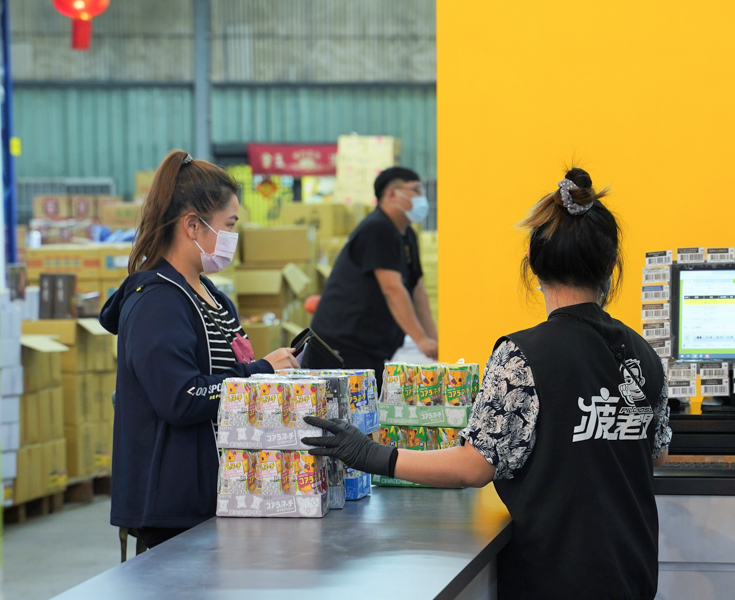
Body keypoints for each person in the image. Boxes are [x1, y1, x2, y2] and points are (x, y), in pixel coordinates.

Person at [303, 168, 672, 600]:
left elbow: (473, 466)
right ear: (611, 266)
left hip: (555, 578)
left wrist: (374, 455)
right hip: (633, 572)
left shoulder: (522, 355)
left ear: (533, 265)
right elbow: (658, 452)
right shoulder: (643, 353)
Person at [99, 150, 299, 549]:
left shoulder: (213, 298)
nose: (232, 238)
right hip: (174, 507)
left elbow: (228, 372)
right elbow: (182, 396)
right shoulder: (157, 302)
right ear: (193, 225)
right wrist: (259, 372)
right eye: (229, 225)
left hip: (220, 494)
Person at [303, 167, 437, 388]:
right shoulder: (377, 229)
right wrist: (421, 340)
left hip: (372, 348)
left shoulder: (406, 234)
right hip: (343, 348)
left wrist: (436, 341)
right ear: (392, 194)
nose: (421, 198)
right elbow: (392, 289)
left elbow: (417, 290)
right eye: (415, 190)